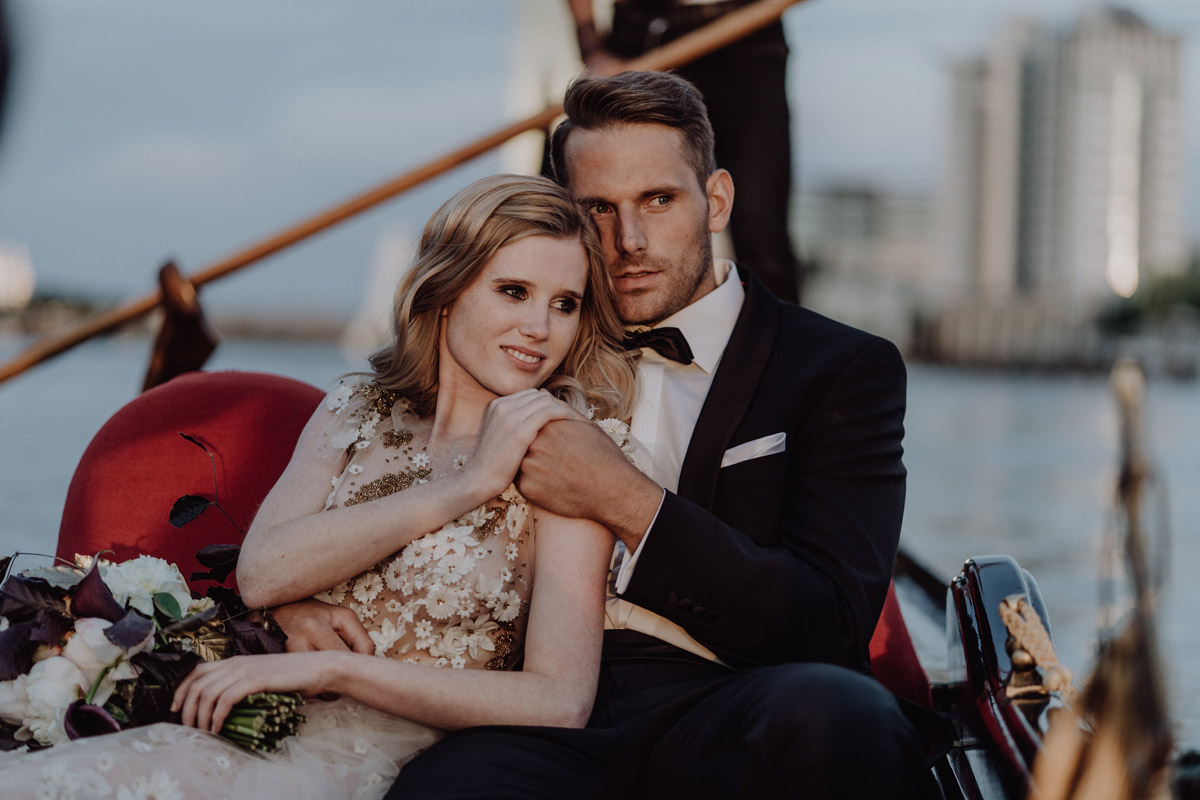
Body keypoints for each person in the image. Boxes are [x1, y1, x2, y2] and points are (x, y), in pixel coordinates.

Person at [382, 71, 941, 798]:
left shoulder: (839, 369)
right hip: (533, 709)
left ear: (715, 200)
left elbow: (828, 623)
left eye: (658, 200)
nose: (630, 241)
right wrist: (299, 607)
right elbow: (380, 472)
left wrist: (628, 502)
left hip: (737, 695)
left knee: (838, 717)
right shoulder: (516, 341)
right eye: (598, 211)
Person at [0, 174, 639, 799]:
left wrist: (337, 670)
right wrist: (466, 486)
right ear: (445, 291)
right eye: (513, 291)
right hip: (250, 715)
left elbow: (559, 700)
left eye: (565, 303)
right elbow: (262, 575)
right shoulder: (356, 409)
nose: (540, 328)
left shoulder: (567, 451)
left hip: (392, 763)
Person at [564, 0, 803, 305]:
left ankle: (781, 350)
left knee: (762, 234)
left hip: (749, 26)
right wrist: (590, 42)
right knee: (576, 219)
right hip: (641, 34)